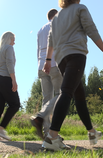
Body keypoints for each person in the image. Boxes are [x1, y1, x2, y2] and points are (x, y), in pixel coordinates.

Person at [42, 0, 103, 151]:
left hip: (61, 59)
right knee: (66, 92)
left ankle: (91, 132)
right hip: (76, 54)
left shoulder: (56, 17)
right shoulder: (80, 8)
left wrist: (48, 60)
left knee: (78, 94)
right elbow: (91, 30)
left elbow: (51, 40)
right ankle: (52, 137)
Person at [30, 9, 63, 140]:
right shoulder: (56, 25)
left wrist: (40, 65)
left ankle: (47, 133)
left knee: (47, 99)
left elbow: (38, 50)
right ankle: (44, 120)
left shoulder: (40, 30)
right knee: (61, 95)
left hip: (42, 66)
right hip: (54, 64)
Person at [0, 31, 21, 141]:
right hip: (5, 79)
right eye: (13, 39)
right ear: (8, 39)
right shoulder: (9, 48)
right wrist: (14, 80)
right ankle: (0, 128)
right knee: (15, 104)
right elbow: (10, 64)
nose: (14, 42)